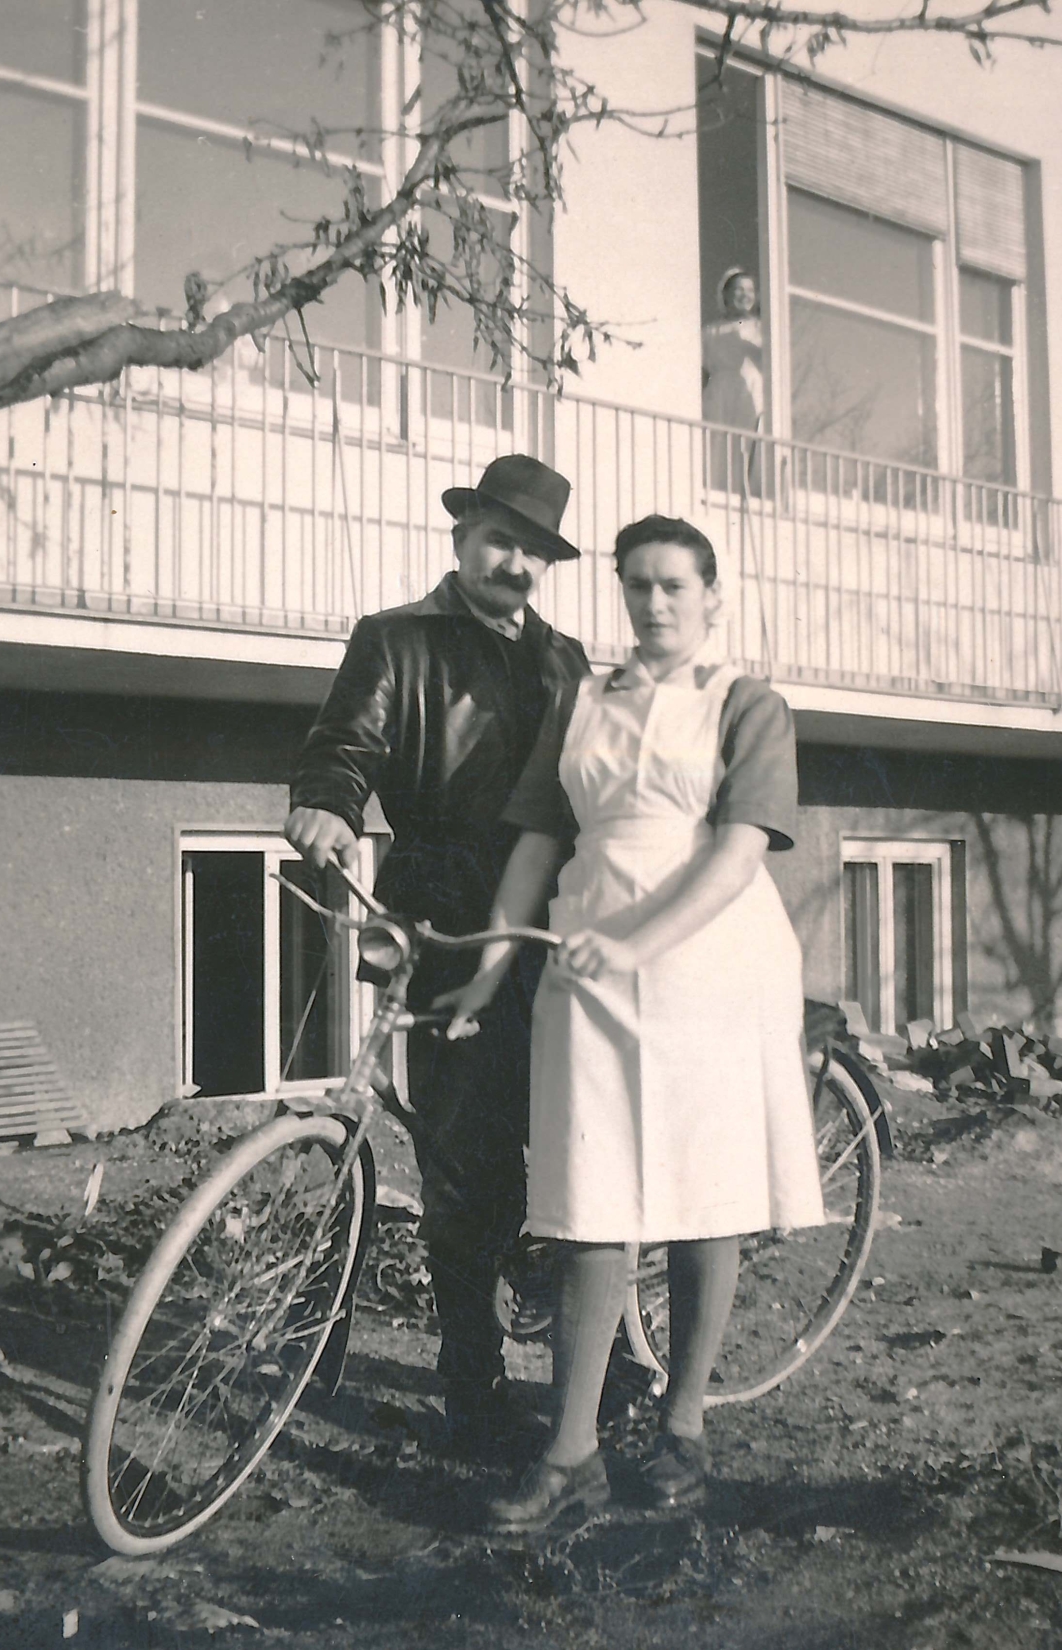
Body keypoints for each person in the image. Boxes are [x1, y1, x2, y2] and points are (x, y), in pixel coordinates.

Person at [446, 513, 825, 1529]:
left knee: (705, 1195)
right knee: (586, 1202)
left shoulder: (746, 704)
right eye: (636, 587)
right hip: (585, 962)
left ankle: (683, 1428)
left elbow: (737, 853)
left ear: (710, 598)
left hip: (708, 963)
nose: (652, 604)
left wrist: (636, 943)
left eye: (672, 587)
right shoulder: (580, 702)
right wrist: (492, 964)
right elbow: (535, 840)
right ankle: (569, 1458)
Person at [285, 454, 590, 1457]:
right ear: (460, 537)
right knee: (461, 1163)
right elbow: (348, 743)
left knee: (590, 1147)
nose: (515, 562)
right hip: (441, 918)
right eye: (499, 538)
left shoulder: (567, 661)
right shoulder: (394, 639)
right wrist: (329, 805)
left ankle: (614, 1365)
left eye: (534, 549)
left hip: (554, 917)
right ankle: (474, 1386)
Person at [702, 268, 764, 493]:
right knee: (718, 442)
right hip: (719, 391)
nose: (744, 295)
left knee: (746, 441)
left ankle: (745, 489)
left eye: (749, 290)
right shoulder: (710, 330)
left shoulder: (761, 328)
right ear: (726, 295)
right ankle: (717, 487)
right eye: (738, 289)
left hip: (749, 388)